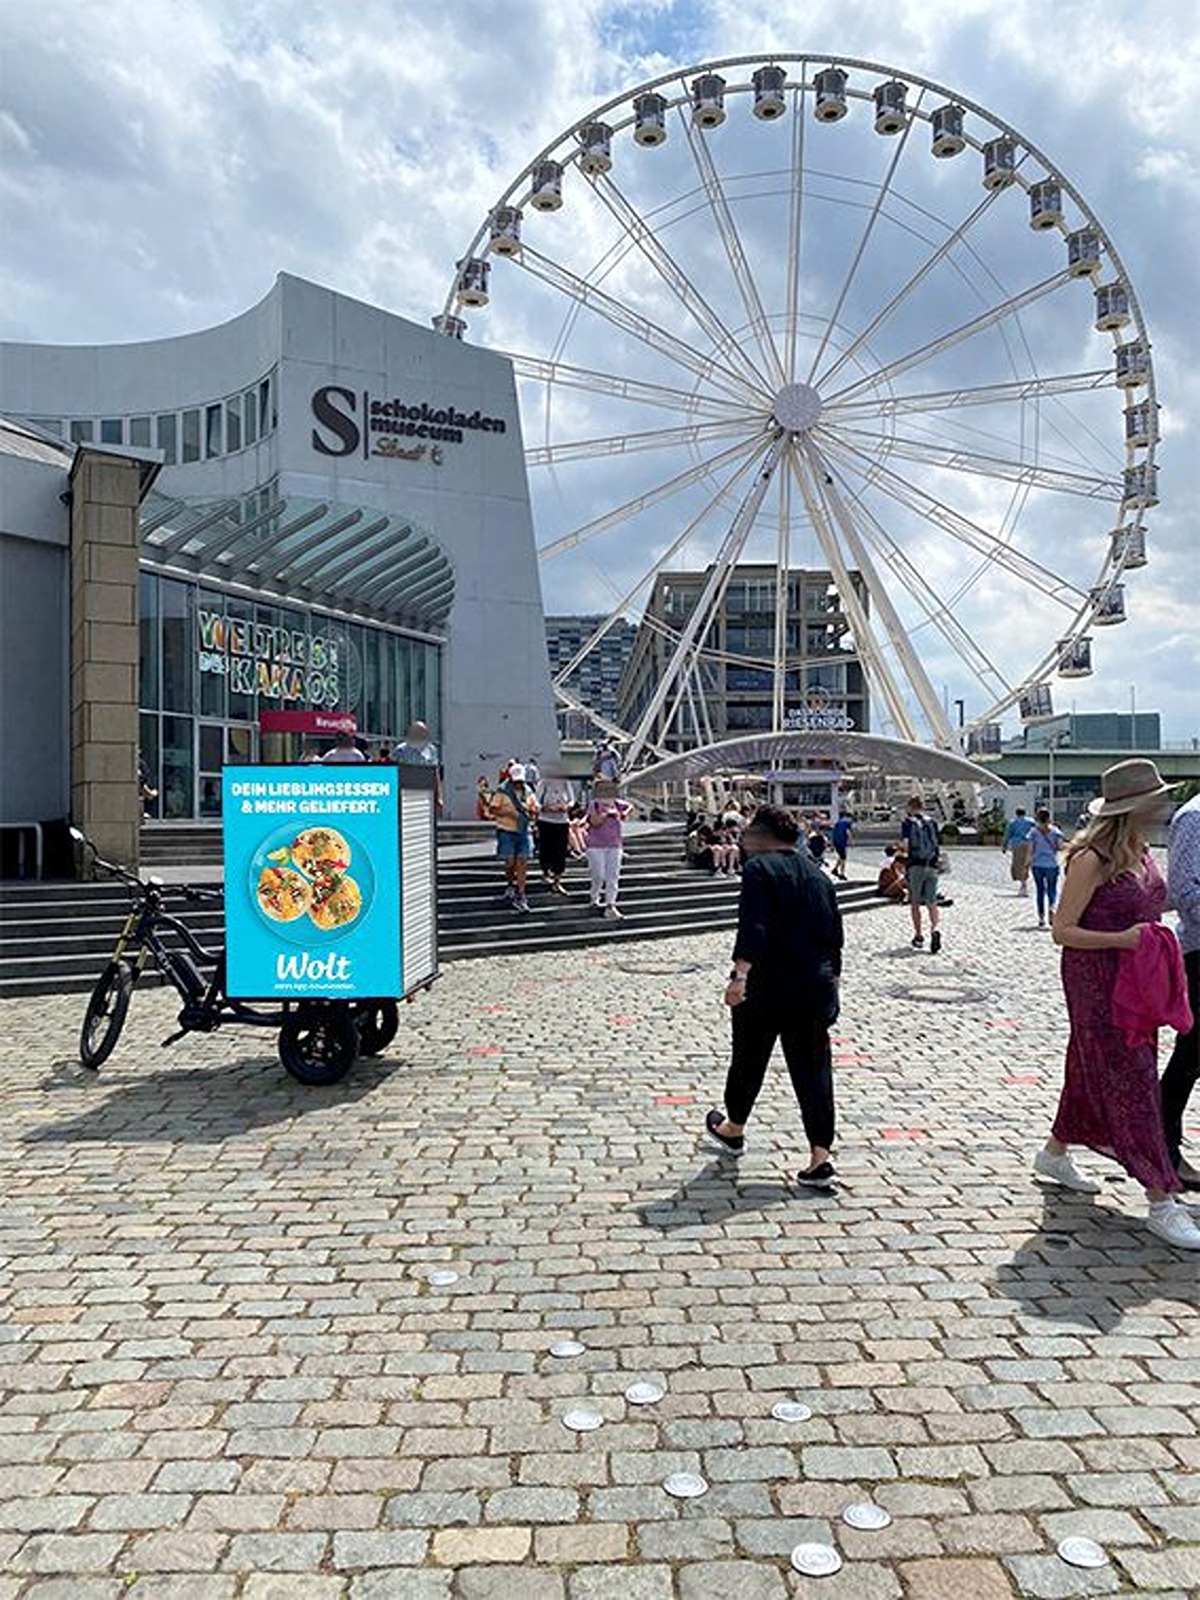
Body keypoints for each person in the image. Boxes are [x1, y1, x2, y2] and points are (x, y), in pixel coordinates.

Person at [1035, 759, 1200, 1250]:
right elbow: (1062, 930)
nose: (1163, 806)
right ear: (1131, 807)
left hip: (1134, 975)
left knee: (1089, 1066)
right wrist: (1125, 938)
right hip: (1094, 977)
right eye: (1155, 799)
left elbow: (1157, 902)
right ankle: (1161, 1199)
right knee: (1132, 1078)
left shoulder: (1142, 852)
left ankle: (1054, 1153)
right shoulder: (1092, 858)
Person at [704, 806, 844, 1191]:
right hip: (814, 986)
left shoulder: (758, 870)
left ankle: (734, 1128)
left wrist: (739, 976)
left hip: (767, 985)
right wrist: (833, 983)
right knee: (814, 1070)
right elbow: (835, 936)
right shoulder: (818, 875)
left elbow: (754, 926)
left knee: (749, 1058)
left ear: (763, 837)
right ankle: (820, 1156)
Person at [1162, 786, 1200, 1190]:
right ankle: (1164, 1144)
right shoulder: (1194, 819)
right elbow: (1184, 894)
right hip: (1198, 950)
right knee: (1191, 1053)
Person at [483, 763, 538, 913]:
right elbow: (493, 809)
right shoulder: (502, 790)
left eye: (521, 781)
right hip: (506, 829)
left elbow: (535, 808)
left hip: (523, 831)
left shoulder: (528, 792)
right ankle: (510, 884)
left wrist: (532, 811)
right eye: (516, 781)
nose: (518, 784)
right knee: (509, 861)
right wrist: (508, 813)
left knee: (522, 861)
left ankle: (521, 894)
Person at [585, 779, 632, 919]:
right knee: (598, 874)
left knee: (613, 876)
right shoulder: (594, 804)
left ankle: (610, 905)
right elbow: (594, 822)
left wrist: (623, 814)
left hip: (614, 844)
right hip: (595, 845)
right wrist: (606, 814)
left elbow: (630, 806)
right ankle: (594, 896)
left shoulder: (617, 803)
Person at [901, 795, 942, 952]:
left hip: (915, 866)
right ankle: (935, 929)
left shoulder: (907, 822)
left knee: (915, 903)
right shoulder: (931, 822)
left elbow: (906, 845)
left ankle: (918, 935)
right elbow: (936, 844)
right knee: (932, 902)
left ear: (910, 807)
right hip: (931, 866)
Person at [535, 766, 574, 895]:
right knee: (546, 848)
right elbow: (536, 801)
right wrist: (546, 808)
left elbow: (572, 800)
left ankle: (557, 881)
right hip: (546, 820)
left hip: (562, 820)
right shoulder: (544, 782)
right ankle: (545, 872)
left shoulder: (566, 783)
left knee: (561, 851)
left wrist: (566, 806)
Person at [394, 720, 443, 811]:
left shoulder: (431, 750)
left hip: (426, 792)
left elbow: (435, 773)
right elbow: (394, 772)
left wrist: (439, 796)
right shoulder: (401, 750)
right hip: (406, 792)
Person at [1029, 807, 1065, 928]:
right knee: (1052, 890)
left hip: (1037, 864)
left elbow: (1030, 850)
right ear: (1049, 818)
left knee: (1040, 890)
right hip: (1052, 864)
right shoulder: (1055, 831)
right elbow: (1060, 847)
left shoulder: (1033, 832)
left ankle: (1041, 917)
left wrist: (1026, 864)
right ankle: (1052, 909)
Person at [1003, 806, 1036, 896]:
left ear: (1016, 813)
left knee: (1018, 864)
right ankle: (1024, 883)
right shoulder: (1031, 821)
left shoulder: (1013, 823)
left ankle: (1023, 885)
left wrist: (1004, 846)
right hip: (1029, 845)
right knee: (1026, 864)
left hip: (1017, 845)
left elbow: (1008, 834)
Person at [831, 811, 854, 880]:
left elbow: (833, 832)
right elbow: (848, 833)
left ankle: (835, 869)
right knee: (843, 858)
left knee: (841, 856)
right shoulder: (846, 823)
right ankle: (842, 874)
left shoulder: (837, 823)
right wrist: (851, 842)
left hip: (836, 842)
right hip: (841, 842)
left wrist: (832, 844)